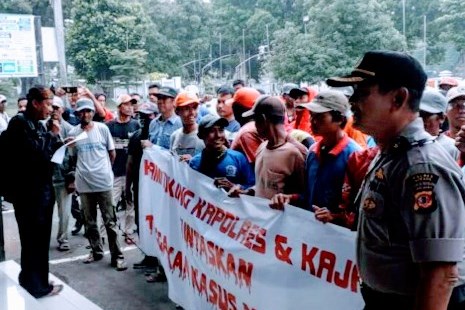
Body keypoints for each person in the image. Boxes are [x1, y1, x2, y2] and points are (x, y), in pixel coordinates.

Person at [327, 50, 465, 310]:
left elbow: (441, 274)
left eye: (362, 92)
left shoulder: (421, 166)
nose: (352, 101)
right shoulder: (391, 155)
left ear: (399, 98)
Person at [2, 86, 63, 297]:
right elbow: (35, 155)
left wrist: (57, 138)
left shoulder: (35, 124)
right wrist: (52, 134)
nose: (50, 108)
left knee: (38, 240)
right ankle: (37, 285)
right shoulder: (19, 124)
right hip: (29, 194)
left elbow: (45, 151)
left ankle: (34, 280)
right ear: (35, 103)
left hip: (41, 191)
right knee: (33, 241)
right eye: (47, 103)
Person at [68, 98, 128, 271]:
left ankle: (118, 256)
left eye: (89, 111)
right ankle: (96, 251)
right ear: (78, 113)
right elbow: (73, 157)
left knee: (110, 221)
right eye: (82, 111)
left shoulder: (102, 129)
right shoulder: (74, 132)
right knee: (90, 221)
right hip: (84, 184)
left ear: (93, 113)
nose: (86, 114)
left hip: (103, 183)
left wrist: (102, 170)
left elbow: (112, 153)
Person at [297, 90, 361, 223]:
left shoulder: (355, 156)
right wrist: (290, 198)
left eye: (319, 117)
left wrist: (336, 217)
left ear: (339, 119)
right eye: (312, 116)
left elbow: (361, 210)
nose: (313, 122)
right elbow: (307, 195)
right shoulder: (313, 151)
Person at [230, 96, 307, 203]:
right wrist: (248, 191)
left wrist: (288, 198)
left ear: (263, 119)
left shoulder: (295, 153)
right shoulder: (261, 148)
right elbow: (265, 185)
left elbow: (305, 196)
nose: (255, 125)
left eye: (256, 120)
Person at [107, 94, 140, 242]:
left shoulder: (136, 125)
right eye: (126, 104)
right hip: (114, 173)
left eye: (131, 104)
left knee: (130, 204)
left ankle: (128, 233)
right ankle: (107, 234)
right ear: (119, 107)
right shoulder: (109, 126)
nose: (130, 107)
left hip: (130, 173)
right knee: (110, 205)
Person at [190, 114, 255, 191]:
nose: (218, 135)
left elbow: (252, 186)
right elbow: (190, 191)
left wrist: (235, 188)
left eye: (221, 130)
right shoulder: (195, 163)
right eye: (211, 131)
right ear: (201, 135)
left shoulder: (238, 158)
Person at [50, 96, 75, 251]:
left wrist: (72, 177)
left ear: (62, 110)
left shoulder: (69, 129)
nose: (53, 111)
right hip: (46, 177)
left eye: (56, 108)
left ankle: (63, 238)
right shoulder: (42, 126)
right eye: (51, 107)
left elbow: (73, 155)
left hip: (63, 177)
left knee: (64, 213)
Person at [419, 88, 459, 160]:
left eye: (425, 115)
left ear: (442, 118)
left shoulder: (452, 148)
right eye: (417, 115)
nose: (420, 120)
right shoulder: (407, 144)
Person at [229, 87, 263, 164]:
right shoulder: (253, 127)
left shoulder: (247, 132)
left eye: (233, 107)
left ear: (236, 109)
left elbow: (259, 165)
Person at [170, 92, 205, 161]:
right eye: (186, 109)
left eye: (194, 108)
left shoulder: (205, 135)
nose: (192, 112)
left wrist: (194, 161)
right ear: (177, 111)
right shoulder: (174, 136)